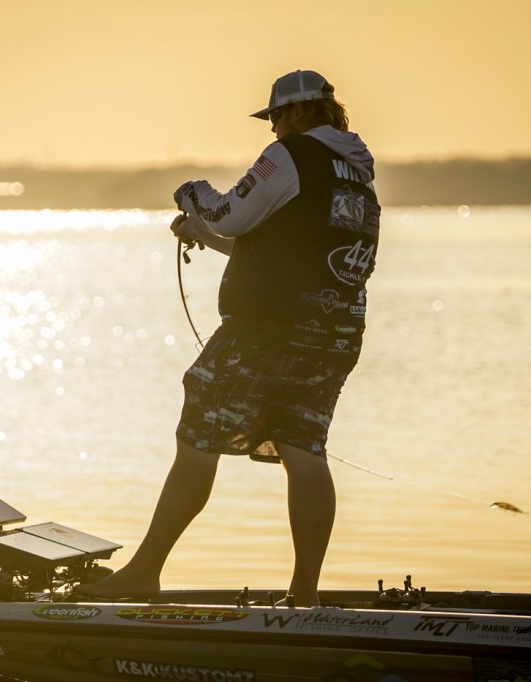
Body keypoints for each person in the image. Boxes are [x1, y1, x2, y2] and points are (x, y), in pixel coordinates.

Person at [78, 70, 380, 607]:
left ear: (296, 113)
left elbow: (229, 213)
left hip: (267, 330)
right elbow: (281, 252)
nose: (273, 130)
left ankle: (144, 572)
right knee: (303, 448)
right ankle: (304, 594)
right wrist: (202, 234)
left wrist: (192, 194)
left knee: (199, 429)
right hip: (334, 335)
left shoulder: (290, 155)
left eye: (276, 118)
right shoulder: (356, 174)